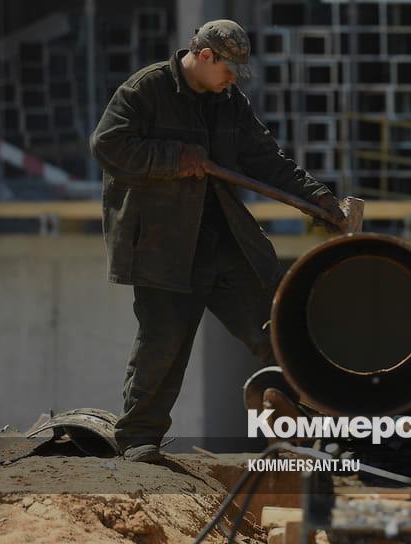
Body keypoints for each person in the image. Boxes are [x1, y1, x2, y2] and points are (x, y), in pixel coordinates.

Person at [90, 19, 347, 463]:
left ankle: (320, 425)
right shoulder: (147, 90)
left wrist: (317, 198)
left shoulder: (229, 102)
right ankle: (138, 439)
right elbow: (108, 146)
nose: (232, 80)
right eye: (228, 70)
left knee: (277, 327)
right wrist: (174, 158)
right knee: (163, 343)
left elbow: (266, 158)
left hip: (223, 240)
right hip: (163, 245)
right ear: (205, 56)